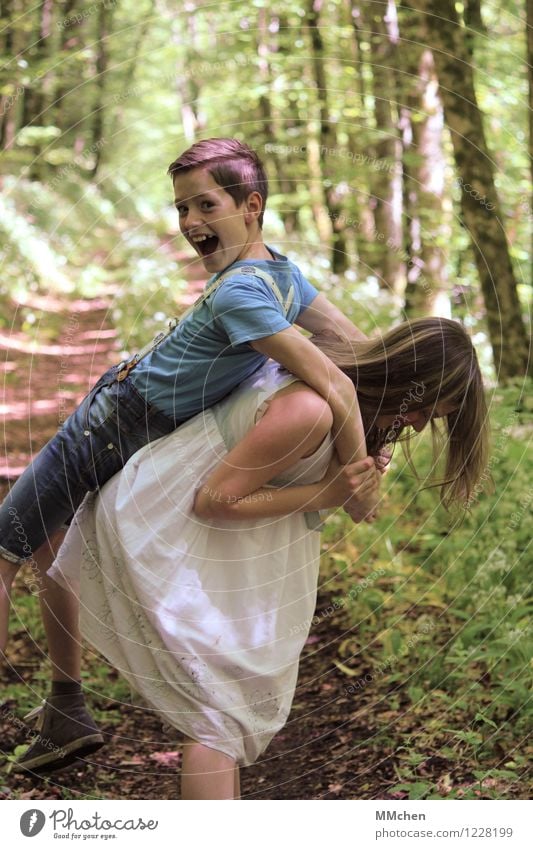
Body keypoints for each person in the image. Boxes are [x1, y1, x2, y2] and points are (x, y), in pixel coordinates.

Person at [0, 138, 376, 770]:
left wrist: (360, 476)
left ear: (251, 204)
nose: (191, 223)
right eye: (181, 209)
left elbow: (343, 376)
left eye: (207, 205)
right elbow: (360, 348)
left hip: (108, 428)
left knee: (2, 549)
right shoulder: (282, 276)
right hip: (125, 420)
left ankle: (65, 708)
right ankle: (66, 708)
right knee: (49, 538)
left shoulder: (243, 294)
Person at [38, 317, 489, 798]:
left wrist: (358, 467)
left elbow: (358, 504)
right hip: (168, 532)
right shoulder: (308, 411)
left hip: (221, 546)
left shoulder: (346, 400)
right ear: (403, 377)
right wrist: (326, 492)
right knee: (216, 717)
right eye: (424, 409)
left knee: (225, 716)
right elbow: (214, 499)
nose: (419, 425)